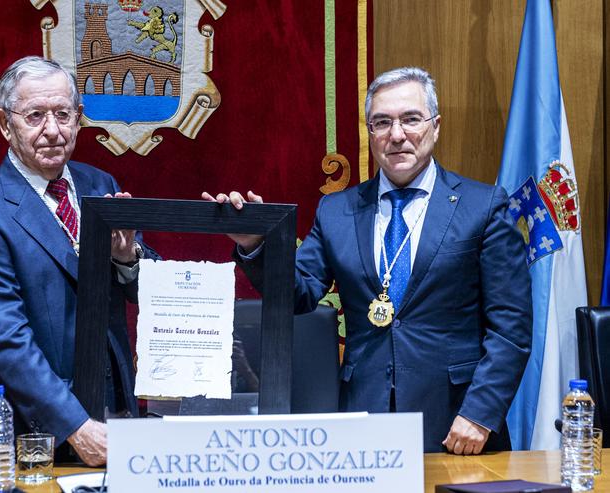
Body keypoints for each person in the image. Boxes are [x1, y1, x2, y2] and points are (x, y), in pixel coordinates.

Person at [204, 67, 532, 455]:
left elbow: (510, 327)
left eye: (411, 119)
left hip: (458, 424)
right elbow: (299, 295)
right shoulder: (337, 210)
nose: (397, 135)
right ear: (370, 133)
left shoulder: (485, 205)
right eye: (382, 123)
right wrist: (258, 244)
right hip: (364, 419)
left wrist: (480, 414)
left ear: (435, 126)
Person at [0, 56, 156, 466]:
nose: (53, 131)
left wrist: (128, 258)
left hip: (115, 408)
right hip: (34, 430)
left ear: (79, 118)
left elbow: (143, 289)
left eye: (63, 114)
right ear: (6, 124)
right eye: (35, 115)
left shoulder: (101, 185)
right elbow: (4, 340)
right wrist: (76, 426)